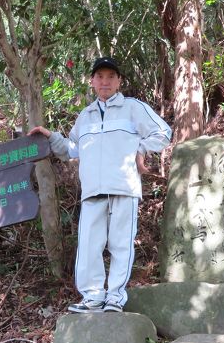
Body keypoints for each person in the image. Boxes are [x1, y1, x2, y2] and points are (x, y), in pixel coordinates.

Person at [29, 56, 171, 313]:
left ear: (119, 81)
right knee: (89, 246)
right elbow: (72, 149)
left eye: (111, 77)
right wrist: (51, 137)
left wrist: (140, 148)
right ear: (92, 81)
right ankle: (93, 297)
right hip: (93, 190)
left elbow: (163, 132)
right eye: (100, 77)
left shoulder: (133, 108)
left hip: (123, 188)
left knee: (120, 244)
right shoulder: (86, 116)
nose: (105, 81)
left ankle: (115, 296)